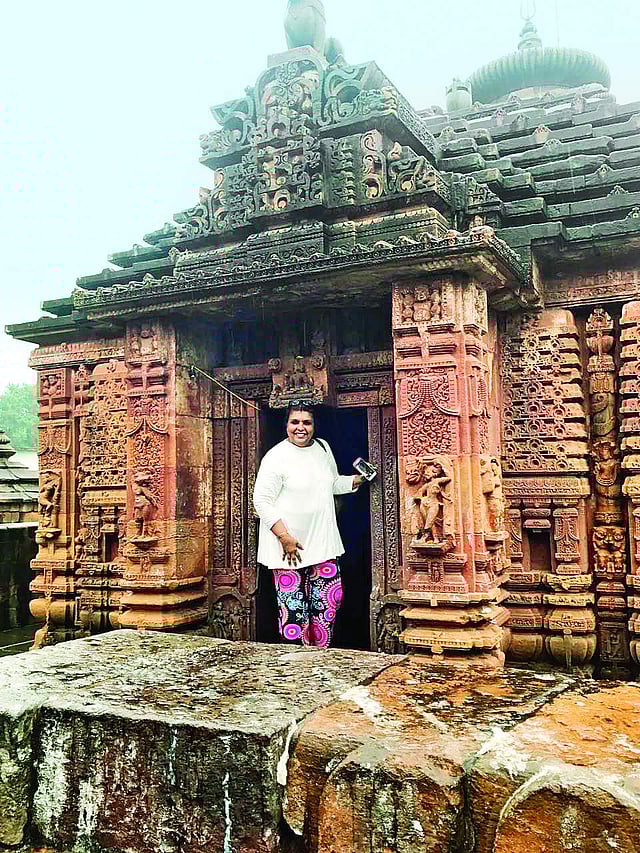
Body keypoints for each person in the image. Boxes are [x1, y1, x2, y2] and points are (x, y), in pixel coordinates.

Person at [253, 402, 364, 648]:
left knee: (328, 603)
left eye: (306, 422)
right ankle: (297, 666)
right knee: (294, 611)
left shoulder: (322, 448)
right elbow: (261, 500)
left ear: (314, 426)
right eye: (295, 422)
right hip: (288, 547)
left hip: (322, 541)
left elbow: (332, 484)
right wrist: (284, 537)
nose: (300, 428)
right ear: (286, 425)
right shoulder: (276, 457)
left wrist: (356, 480)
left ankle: (319, 657)